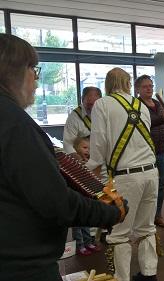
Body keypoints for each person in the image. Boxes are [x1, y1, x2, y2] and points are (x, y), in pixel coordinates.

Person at [0, 33, 126, 281]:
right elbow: (54, 200)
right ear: (17, 71)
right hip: (23, 266)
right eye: (34, 71)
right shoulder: (14, 123)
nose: (36, 83)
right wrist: (108, 213)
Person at [88, 67, 159, 281]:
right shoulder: (141, 106)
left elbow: (98, 144)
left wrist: (91, 172)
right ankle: (149, 275)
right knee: (147, 228)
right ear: (128, 83)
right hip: (151, 173)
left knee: (119, 233)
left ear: (108, 84)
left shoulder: (103, 104)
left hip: (125, 177)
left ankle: (122, 278)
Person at [136, 75, 164, 229]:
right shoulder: (136, 106)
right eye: (145, 86)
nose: (149, 89)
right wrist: (162, 118)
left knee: (160, 186)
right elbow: (143, 125)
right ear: (138, 89)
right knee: (146, 186)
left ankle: (157, 215)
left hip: (160, 152)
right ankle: (145, 218)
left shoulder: (158, 104)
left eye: (151, 86)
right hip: (144, 153)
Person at [72, 137, 102, 255]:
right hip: (76, 200)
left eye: (89, 148)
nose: (87, 151)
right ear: (75, 149)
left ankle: (88, 242)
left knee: (86, 223)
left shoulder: (89, 163)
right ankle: (79, 245)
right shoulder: (74, 163)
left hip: (85, 199)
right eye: (84, 147)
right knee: (77, 225)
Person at [63, 86, 102, 159]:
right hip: (83, 159)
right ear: (82, 100)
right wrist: (79, 160)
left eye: (95, 104)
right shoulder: (74, 117)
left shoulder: (104, 113)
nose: (92, 108)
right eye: (89, 104)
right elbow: (67, 144)